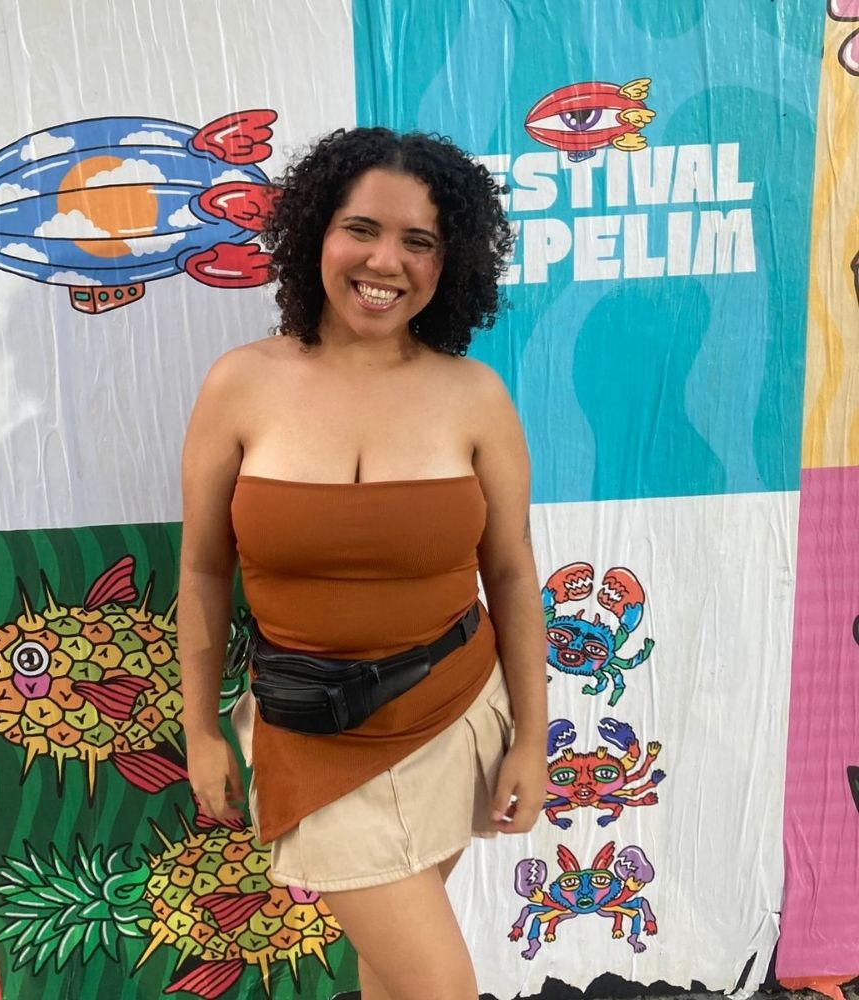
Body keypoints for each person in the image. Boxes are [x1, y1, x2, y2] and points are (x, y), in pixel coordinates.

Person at [178, 127, 548, 1000]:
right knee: (439, 986)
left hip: (455, 713)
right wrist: (200, 729)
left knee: (392, 974)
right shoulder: (239, 384)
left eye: (419, 241)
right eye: (362, 229)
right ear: (317, 233)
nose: (386, 261)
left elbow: (511, 574)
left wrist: (532, 740)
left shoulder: (475, 396)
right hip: (312, 734)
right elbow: (202, 570)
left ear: (449, 262)